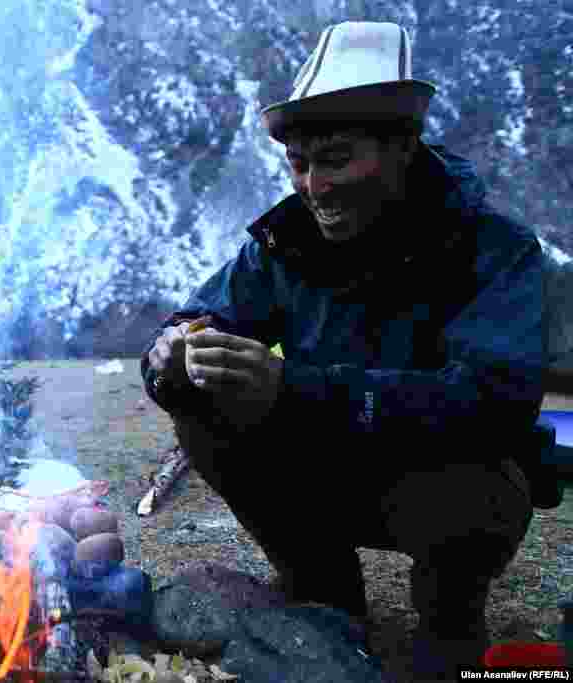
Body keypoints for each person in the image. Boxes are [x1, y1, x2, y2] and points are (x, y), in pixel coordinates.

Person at [141, 21, 548, 680]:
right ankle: (321, 590)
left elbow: (494, 401)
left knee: (478, 481)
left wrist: (293, 388)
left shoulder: (495, 250)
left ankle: (449, 615)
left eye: (334, 160)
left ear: (404, 146)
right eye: (299, 164)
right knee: (203, 411)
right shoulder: (284, 242)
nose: (313, 186)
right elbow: (199, 316)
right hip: (324, 466)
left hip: (438, 483)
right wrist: (171, 357)